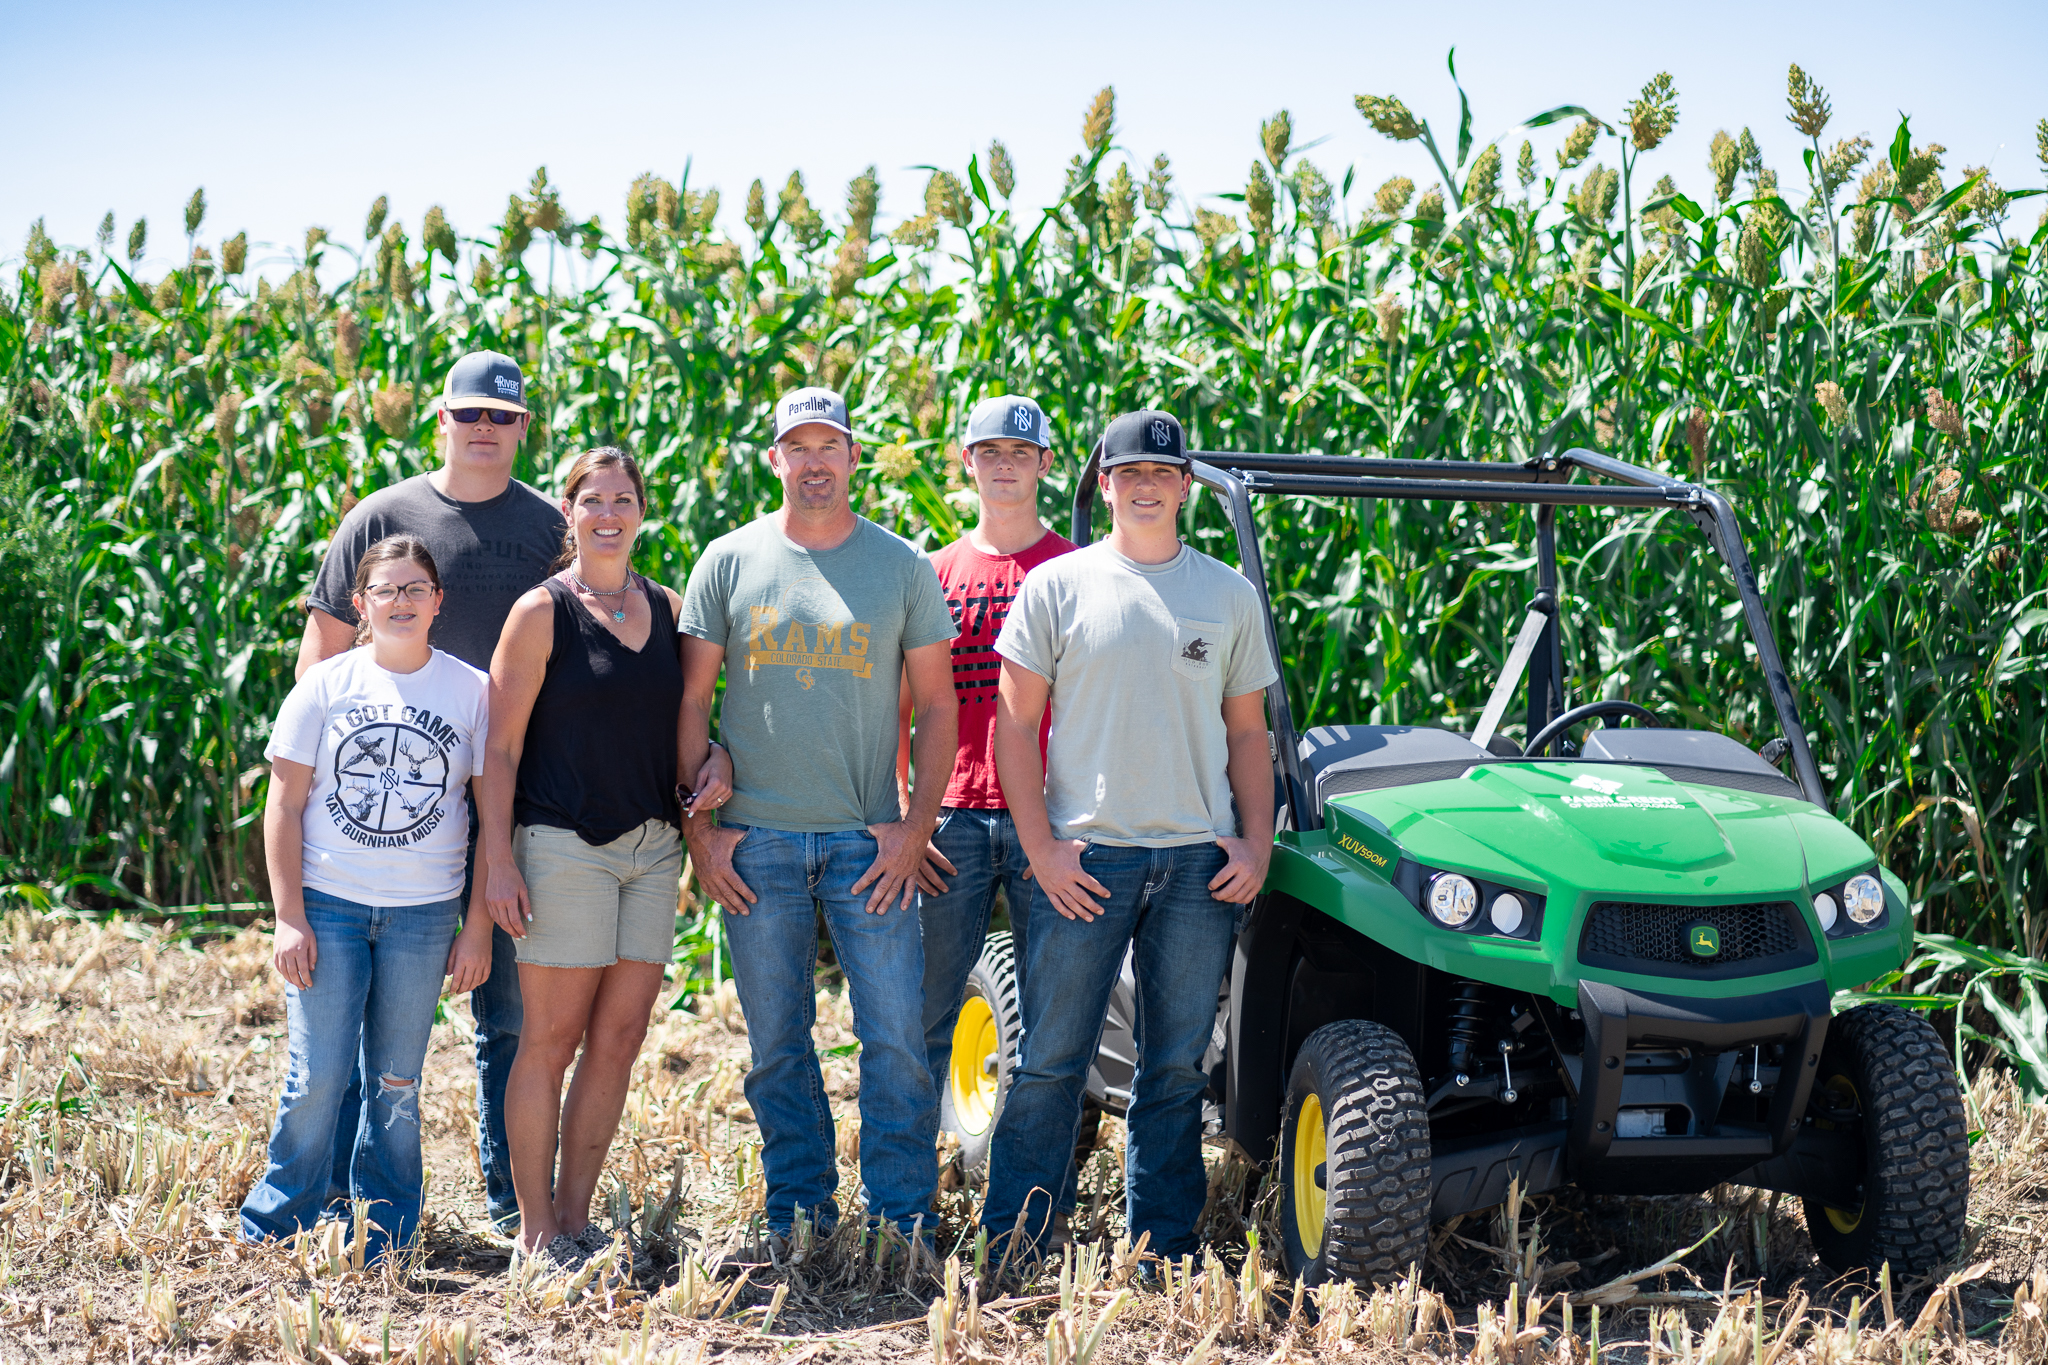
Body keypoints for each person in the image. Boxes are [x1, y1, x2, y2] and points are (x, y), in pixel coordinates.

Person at [980, 410, 1278, 1265]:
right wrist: (1040, 851)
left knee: (1175, 1071)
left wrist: (1254, 845)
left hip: (1196, 865)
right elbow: (1014, 727)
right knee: (1051, 1061)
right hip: (1088, 859)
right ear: (1104, 484)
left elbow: (1248, 733)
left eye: (1163, 472)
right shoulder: (1058, 588)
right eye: (1130, 471)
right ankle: (1020, 1240)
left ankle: (1163, 1250)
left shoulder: (1226, 595)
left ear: (1186, 486)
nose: (1147, 485)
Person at [679, 386, 960, 1249]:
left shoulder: (901, 566)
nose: (812, 462)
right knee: (776, 1050)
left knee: (898, 1045)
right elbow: (691, 704)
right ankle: (799, 1212)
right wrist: (702, 833)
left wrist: (916, 828)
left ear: (850, 454)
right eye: (795, 447)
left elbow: (939, 709)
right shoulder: (728, 561)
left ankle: (901, 1218)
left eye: (826, 445)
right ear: (775, 461)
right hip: (754, 845)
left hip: (866, 843)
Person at [295, 350, 562, 1236]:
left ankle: (501, 1198)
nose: (485, 427)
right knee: (342, 1031)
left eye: (503, 415)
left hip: (518, 805)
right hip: (382, 803)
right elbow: (321, 660)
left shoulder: (551, 529)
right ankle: (330, 1196)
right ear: (441, 419)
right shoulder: (384, 518)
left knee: (509, 1014)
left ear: (525, 427)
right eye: (469, 413)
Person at [479, 448, 716, 1270]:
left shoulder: (668, 605)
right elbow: (498, 751)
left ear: (642, 511)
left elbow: (684, 723)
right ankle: (535, 1231)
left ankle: (576, 1222)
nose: (608, 513)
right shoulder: (540, 613)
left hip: (652, 852)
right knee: (550, 1039)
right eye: (591, 500)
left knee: (618, 1037)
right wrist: (498, 862)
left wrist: (712, 765)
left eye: (623, 499)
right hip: (560, 846)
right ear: (569, 513)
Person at [242, 536, 494, 1260]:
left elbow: (488, 817)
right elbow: (283, 806)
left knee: (395, 1081)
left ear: (439, 600)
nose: (403, 601)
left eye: (417, 588)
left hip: (422, 916)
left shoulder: (470, 691)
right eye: (387, 589)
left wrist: (475, 924)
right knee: (318, 1073)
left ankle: (385, 1233)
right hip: (329, 906)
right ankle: (277, 1220)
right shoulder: (323, 687)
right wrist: (289, 915)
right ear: (360, 603)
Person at [898, 396, 1074, 1135]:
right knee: (925, 1012)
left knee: (1053, 1026)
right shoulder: (930, 572)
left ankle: (1035, 1204)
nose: (1005, 465)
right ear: (966, 462)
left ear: (1044, 465)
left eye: (1020, 453)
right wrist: (910, 813)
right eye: (990, 452)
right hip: (953, 821)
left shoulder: (1075, 569)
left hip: (1052, 820)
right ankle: (907, 1202)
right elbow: (901, 703)